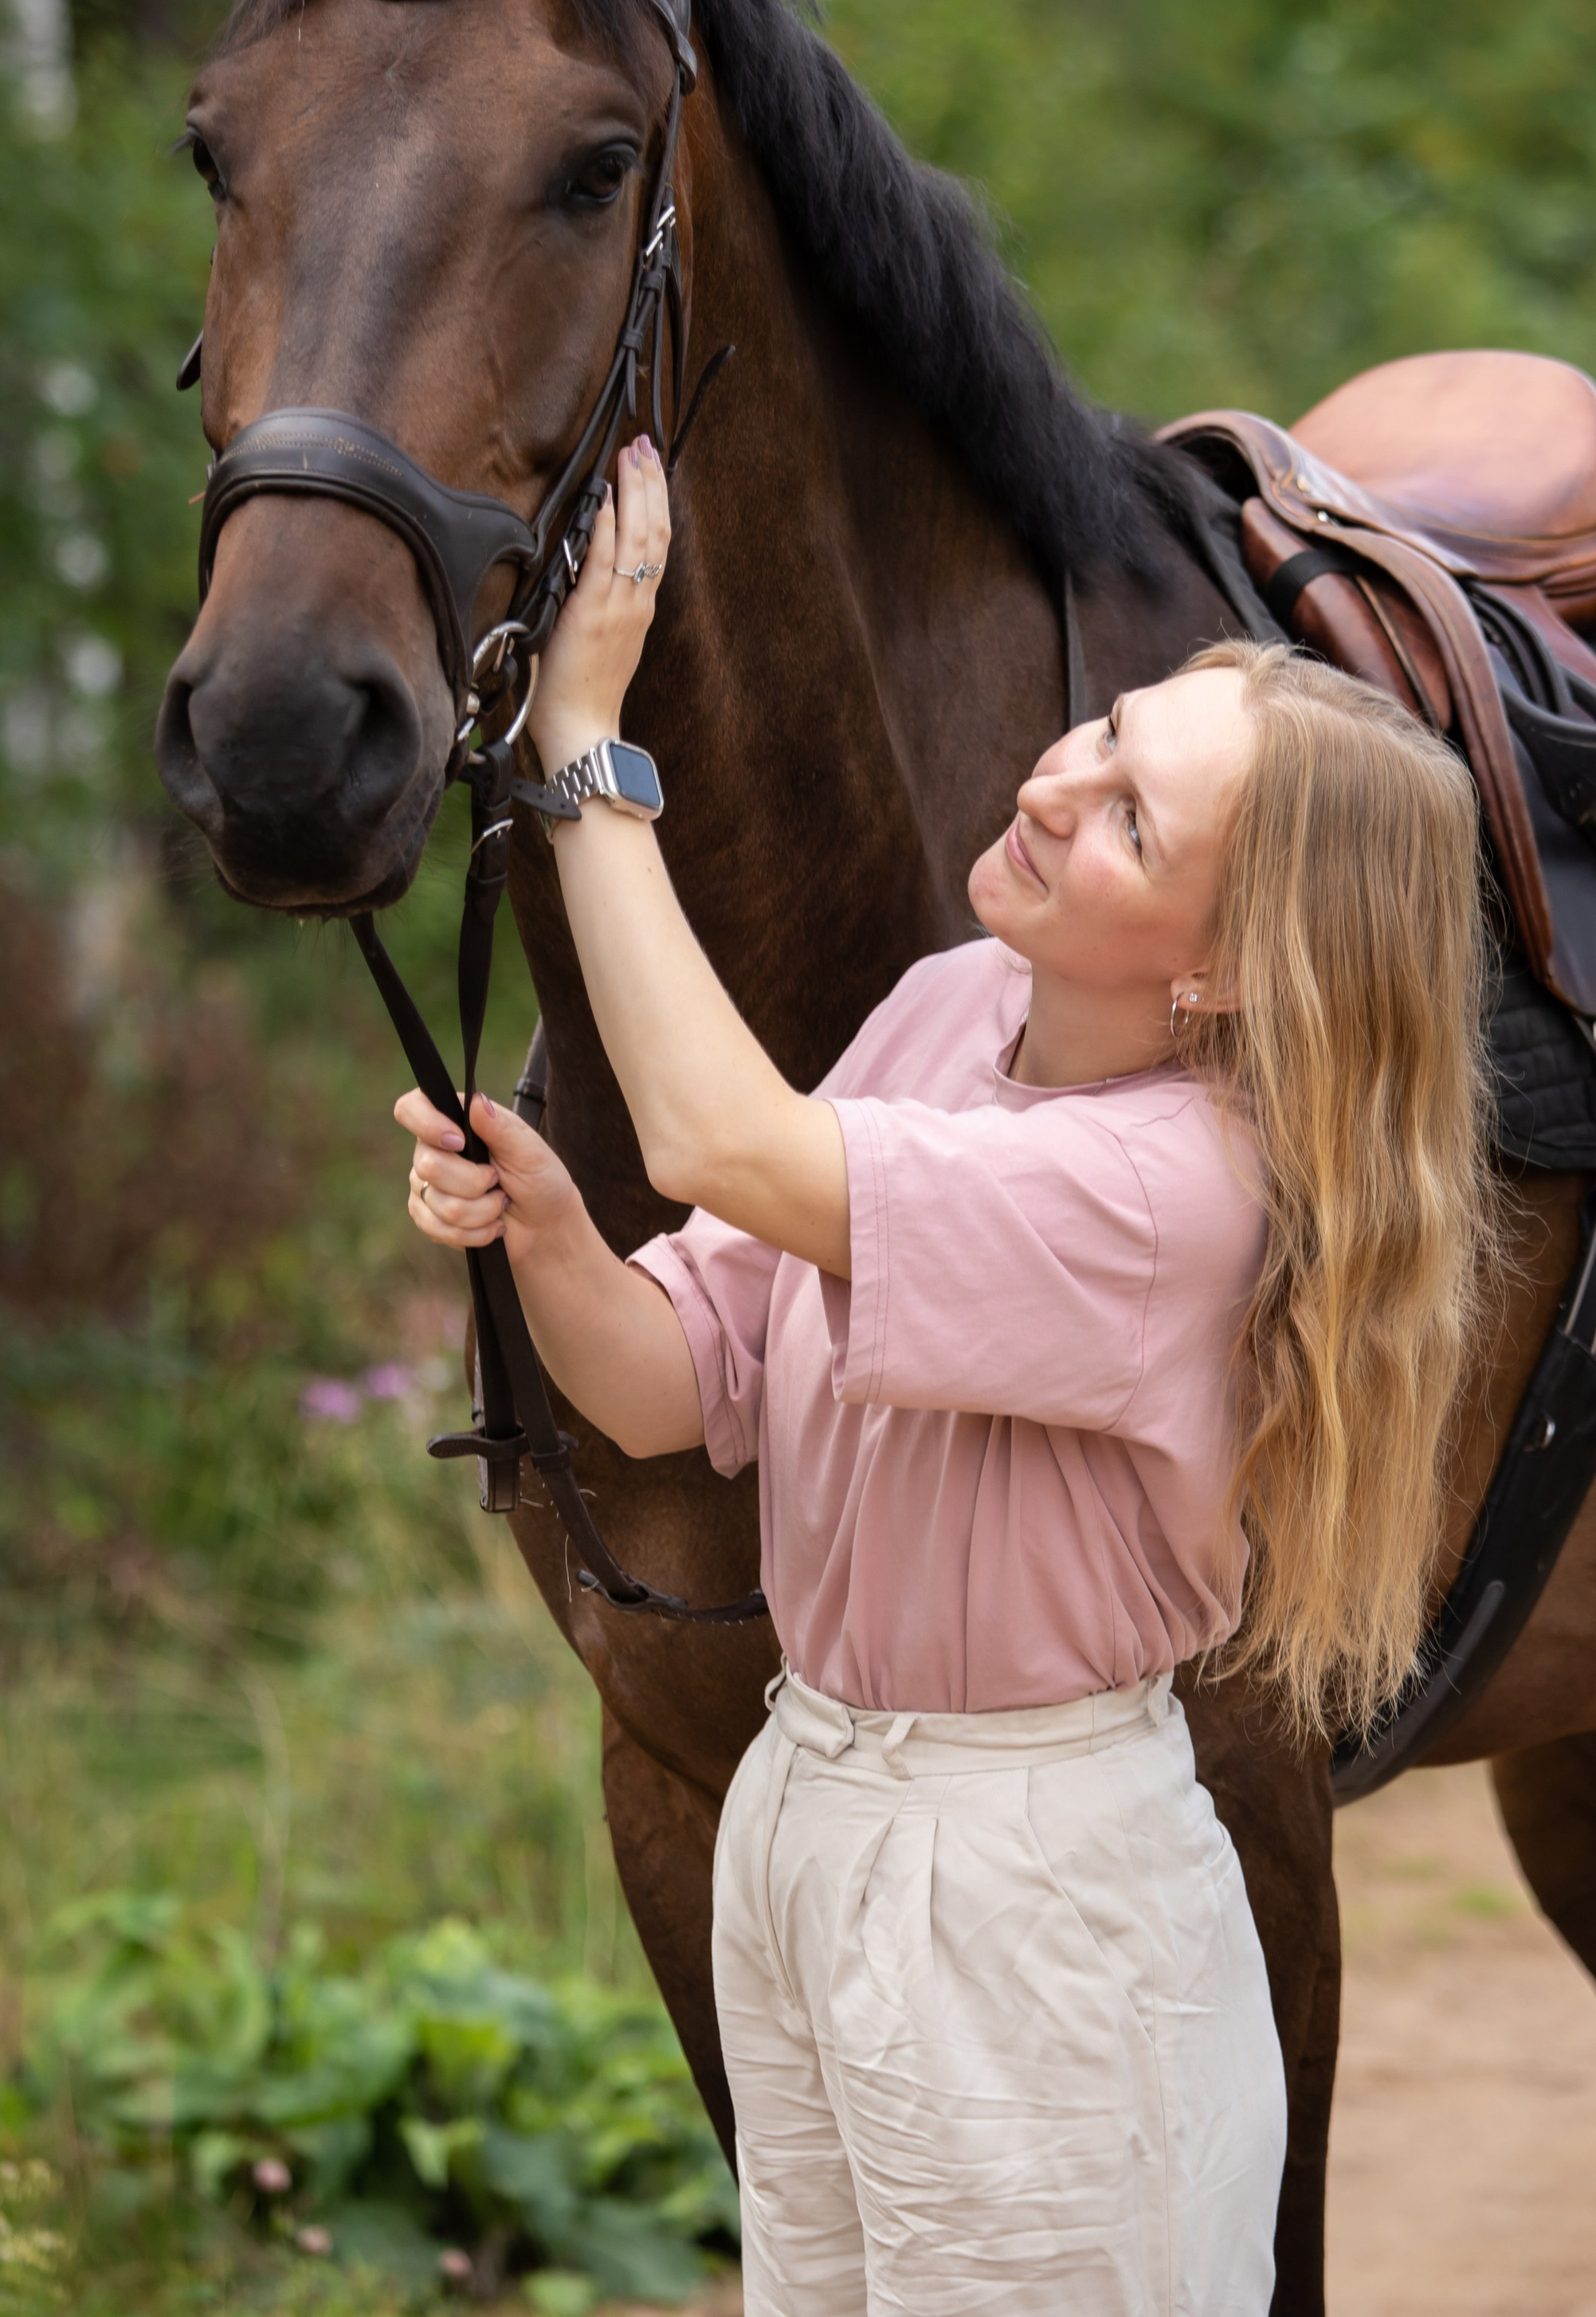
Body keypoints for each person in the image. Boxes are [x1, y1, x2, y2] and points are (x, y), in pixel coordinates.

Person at [398, 434, 1494, 2317]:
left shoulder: (1177, 1190)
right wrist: (555, 1238)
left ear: (1227, 975)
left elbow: (726, 1143)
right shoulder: (941, 1007)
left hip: (1024, 1897)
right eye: (1105, 733)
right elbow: (675, 1383)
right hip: (813, 1816)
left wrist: (586, 747)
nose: (1062, 787)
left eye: (1136, 822)